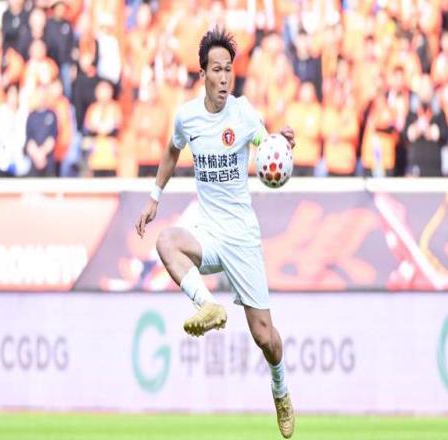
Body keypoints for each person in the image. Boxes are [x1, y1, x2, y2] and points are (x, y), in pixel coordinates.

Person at [135, 28, 295, 439]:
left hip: (241, 236)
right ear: (203, 74)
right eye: (217, 70)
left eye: (229, 71)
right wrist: (154, 196)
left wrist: (281, 144)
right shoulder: (187, 117)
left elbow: (265, 143)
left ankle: (280, 390)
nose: (224, 78)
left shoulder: (243, 114)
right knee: (166, 241)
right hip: (208, 230)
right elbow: (172, 150)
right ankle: (208, 306)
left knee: (265, 338)